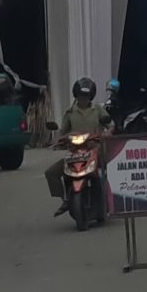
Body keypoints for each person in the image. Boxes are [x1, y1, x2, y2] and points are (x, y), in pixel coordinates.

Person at [44, 77, 109, 205]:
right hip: (75, 152)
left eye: (86, 95)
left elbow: (110, 125)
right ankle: (65, 200)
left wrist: (107, 133)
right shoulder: (70, 113)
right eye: (80, 95)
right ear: (76, 95)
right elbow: (62, 131)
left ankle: (110, 199)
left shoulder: (98, 110)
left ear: (90, 96)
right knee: (51, 173)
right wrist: (59, 140)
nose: (83, 98)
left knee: (111, 170)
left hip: (95, 150)